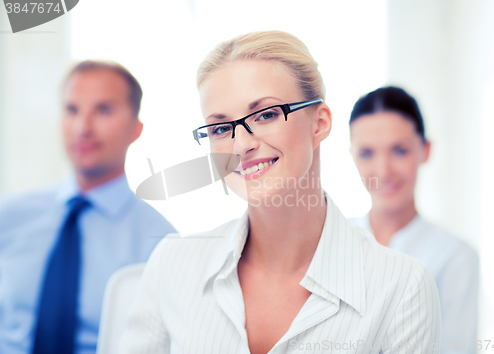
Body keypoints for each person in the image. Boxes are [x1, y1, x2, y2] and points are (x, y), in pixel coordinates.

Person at [120, 31, 440, 353]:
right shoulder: (172, 264)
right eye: (220, 128)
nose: (242, 145)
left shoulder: (401, 286)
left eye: (266, 115)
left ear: (320, 123)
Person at [0, 60, 177, 354]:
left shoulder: (162, 243)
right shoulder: (10, 216)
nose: (83, 127)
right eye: (72, 110)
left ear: (136, 128)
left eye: (104, 110)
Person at [348, 86, 479, 353]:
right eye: (367, 153)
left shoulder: (456, 257)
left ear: (425, 150)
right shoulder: (327, 241)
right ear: (352, 157)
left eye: (399, 151)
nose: (383, 172)